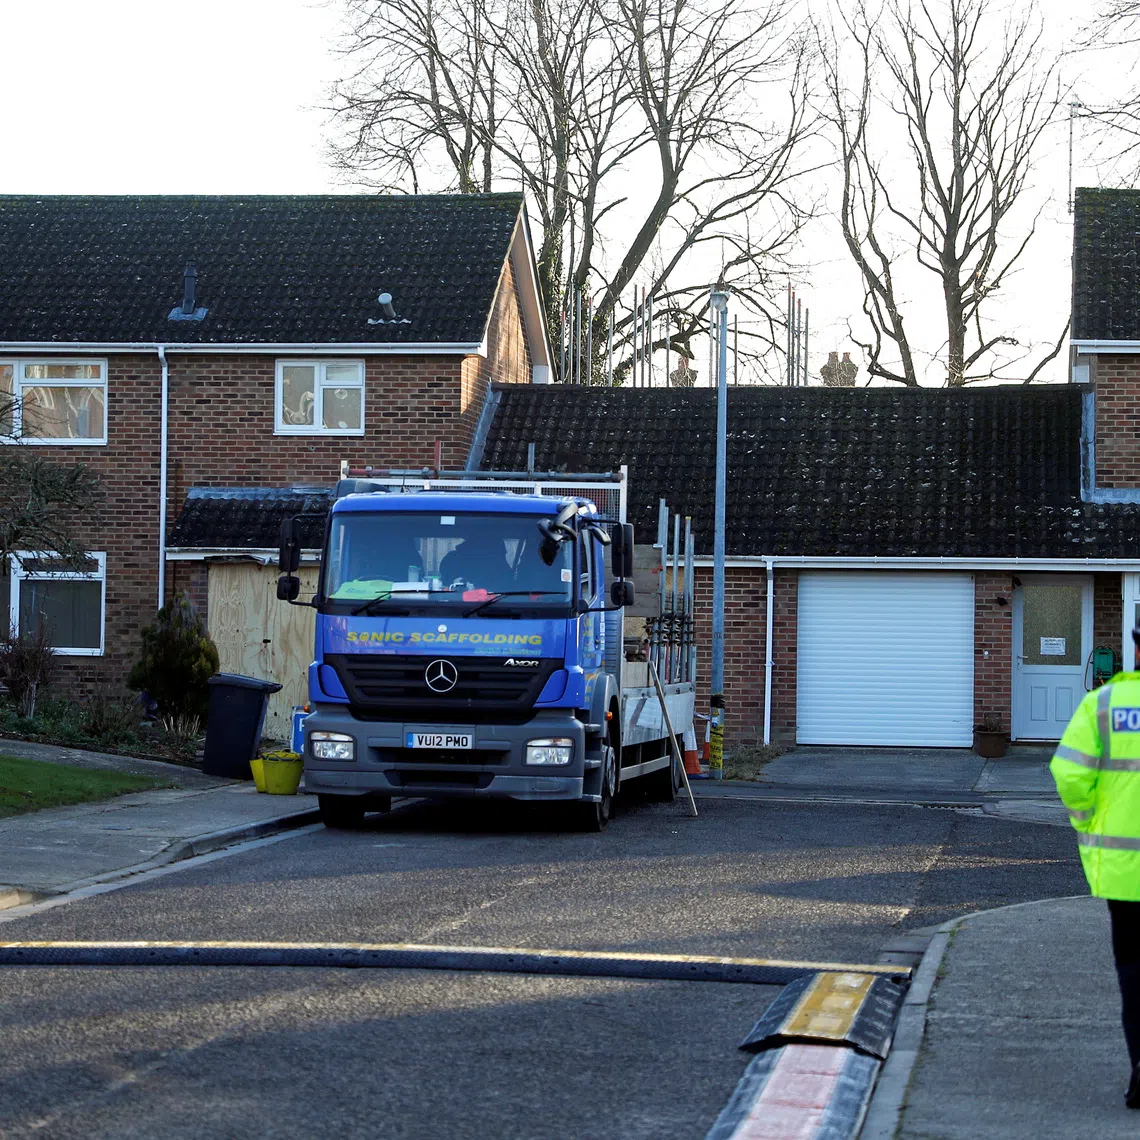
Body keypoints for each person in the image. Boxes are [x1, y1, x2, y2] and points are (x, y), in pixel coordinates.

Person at [1052, 630, 1140, 1108]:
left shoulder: (1105, 705)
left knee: (1133, 969)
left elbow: (1068, 773)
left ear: (1138, 649)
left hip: (1127, 873)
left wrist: (1088, 820)